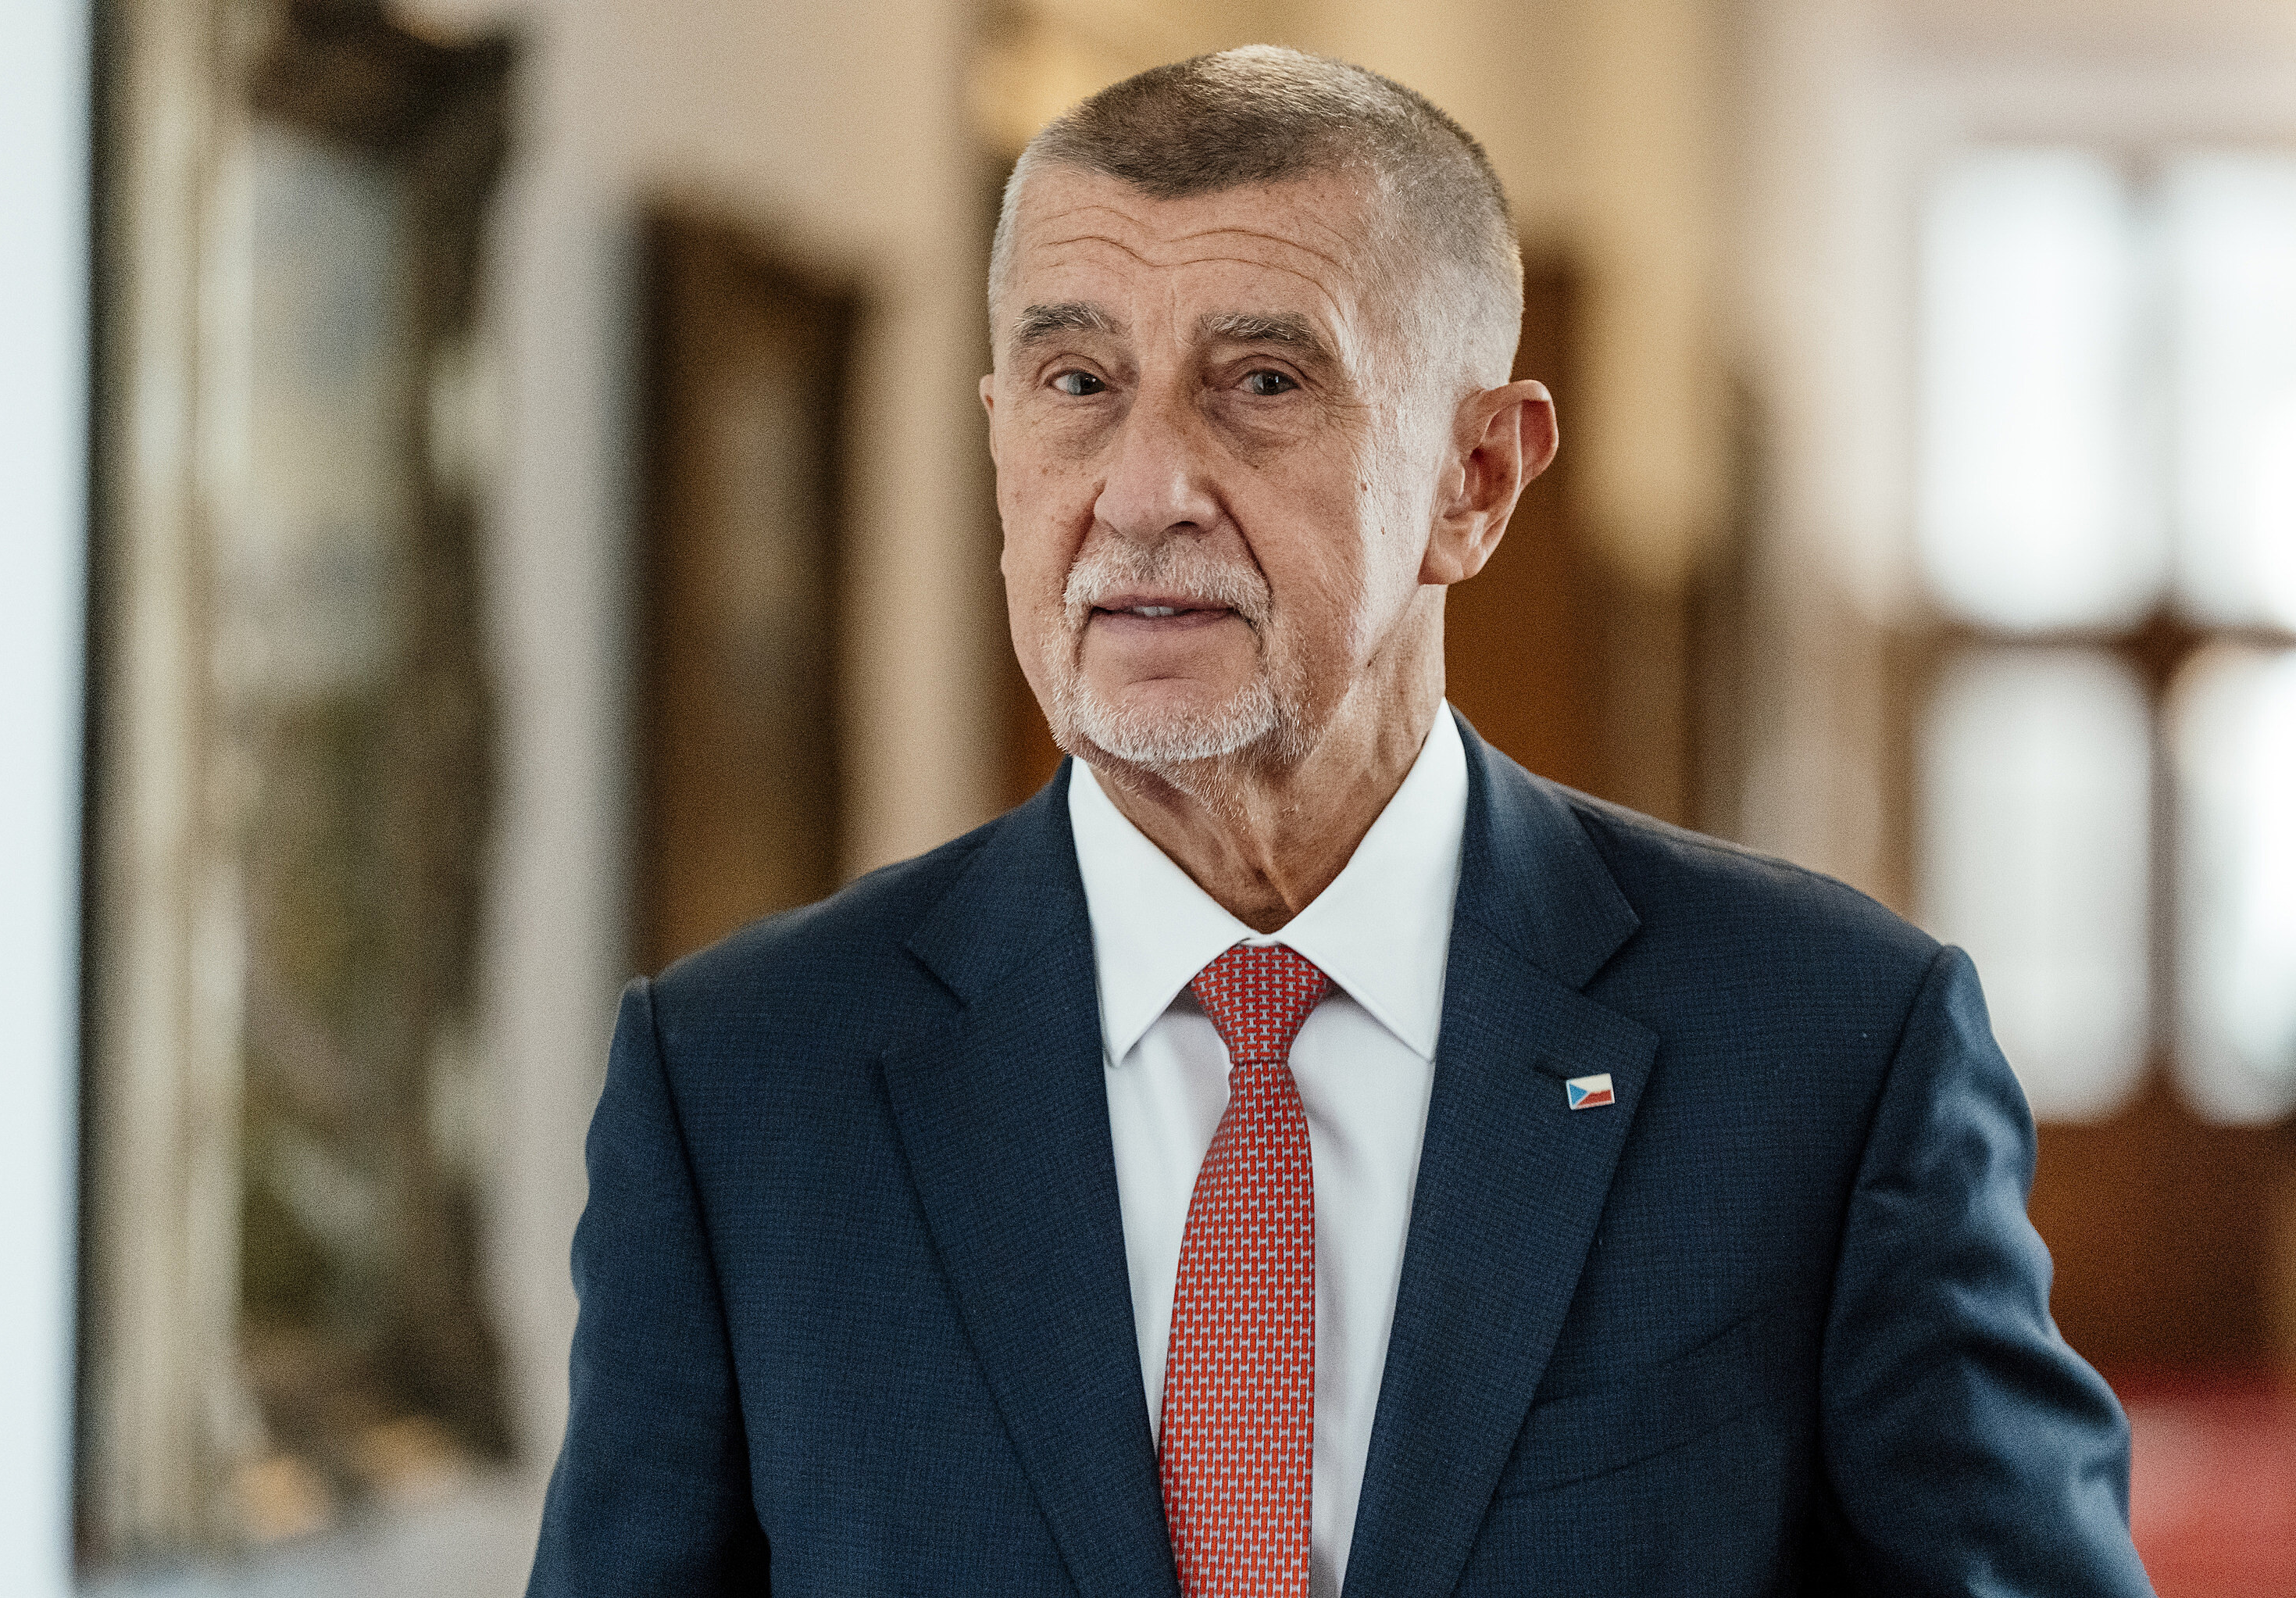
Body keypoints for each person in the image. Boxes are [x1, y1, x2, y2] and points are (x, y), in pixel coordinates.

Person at [527, 45, 2151, 1598]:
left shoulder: (1825, 1048)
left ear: (1477, 479)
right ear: (1001, 432)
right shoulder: (741, 1086)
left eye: (1263, 382)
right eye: (1077, 381)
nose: (1143, 488)